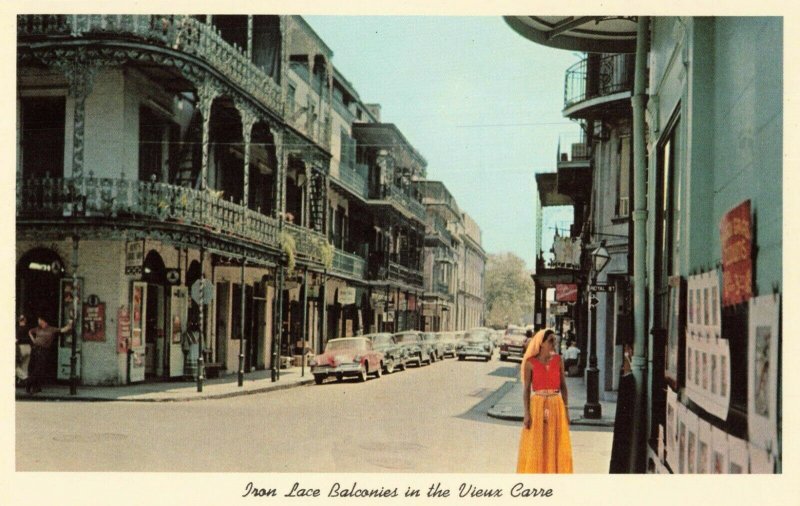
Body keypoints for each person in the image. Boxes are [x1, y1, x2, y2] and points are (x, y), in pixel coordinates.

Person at [517, 328, 573, 473]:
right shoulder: (530, 363)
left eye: (555, 340)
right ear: (541, 343)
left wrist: (566, 410)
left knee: (555, 440)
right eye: (550, 341)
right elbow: (526, 389)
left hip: (556, 404)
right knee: (538, 441)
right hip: (537, 405)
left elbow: (564, 387)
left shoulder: (558, 360)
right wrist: (527, 413)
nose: (554, 344)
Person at [27, 316, 72, 394]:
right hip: (35, 349)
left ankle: (30, 384)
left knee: (39, 369)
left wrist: (70, 324)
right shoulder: (37, 329)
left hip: (43, 350)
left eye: (40, 319)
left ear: (44, 321)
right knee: (33, 368)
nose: (38, 321)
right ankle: (34, 386)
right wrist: (33, 340)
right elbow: (30, 331)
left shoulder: (51, 329)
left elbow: (63, 330)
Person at [16, 315, 32, 387]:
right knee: (25, 366)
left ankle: (25, 378)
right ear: (25, 320)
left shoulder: (18, 329)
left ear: (19, 320)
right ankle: (22, 383)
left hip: (20, 347)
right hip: (28, 347)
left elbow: (16, 340)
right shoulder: (28, 329)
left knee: (14, 366)